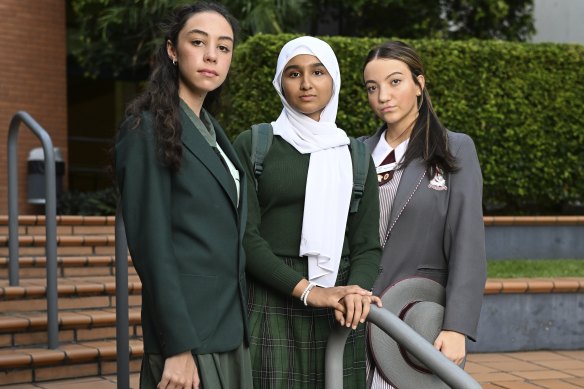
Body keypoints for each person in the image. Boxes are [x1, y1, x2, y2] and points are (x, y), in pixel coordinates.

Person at [115, 3, 252, 388]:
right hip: (188, 340)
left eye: (224, 47)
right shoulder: (145, 129)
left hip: (228, 330)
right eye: (198, 42)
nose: (212, 55)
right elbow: (152, 248)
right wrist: (177, 346)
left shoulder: (213, 133)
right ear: (173, 50)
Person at [233, 36, 382, 388]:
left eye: (318, 72)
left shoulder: (356, 156)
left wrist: (355, 293)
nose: (306, 83)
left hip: (339, 302)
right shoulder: (255, 144)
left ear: (334, 79)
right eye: (293, 73)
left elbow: (366, 245)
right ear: (279, 82)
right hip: (270, 296)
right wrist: (307, 291)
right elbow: (246, 238)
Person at [360, 41, 487, 388]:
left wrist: (457, 326)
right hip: (354, 321)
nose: (383, 95)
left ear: (419, 83)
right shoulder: (355, 153)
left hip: (415, 321)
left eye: (395, 82)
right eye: (373, 87)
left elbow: (468, 245)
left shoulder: (453, 149)